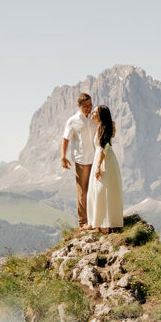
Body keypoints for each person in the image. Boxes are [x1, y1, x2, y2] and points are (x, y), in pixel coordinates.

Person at [61, 93, 97, 229]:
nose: (89, 108)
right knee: (82, 192)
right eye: (86, 106)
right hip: (81, 160)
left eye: (90, 105)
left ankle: (94, 218)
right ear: (79, 105)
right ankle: (83, 222)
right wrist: (63, 157)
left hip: (95, 158)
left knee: (94, 189)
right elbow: (65, 139)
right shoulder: (72, 121)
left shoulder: (94, 118)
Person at [87, 105, 123, 233]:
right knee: (99, 191)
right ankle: (100, 223)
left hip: (104, 160)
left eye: (95, 112)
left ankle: (105, 224)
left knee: (103, 190)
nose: (92, 114)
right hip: (100, 159)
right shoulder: (101, 126)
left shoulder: (105, 127)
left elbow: (105, 147)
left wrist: (97, 166)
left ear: (101, 114)